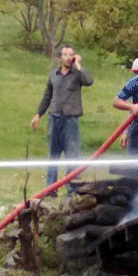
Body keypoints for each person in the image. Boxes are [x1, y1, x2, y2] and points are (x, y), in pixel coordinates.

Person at [30, 45, 94, 196]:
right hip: (54, 118)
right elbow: (47, 96)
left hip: (70, 119)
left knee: (72, 155)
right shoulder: (53, 75)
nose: (68, 57)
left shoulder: (77, 74)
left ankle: (72, 189)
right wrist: (38, 114)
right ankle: (50, 190)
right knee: (53, 155)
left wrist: (79, 65)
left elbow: (89, 81)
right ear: (60, 57)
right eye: (65, 55)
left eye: (71, 54)